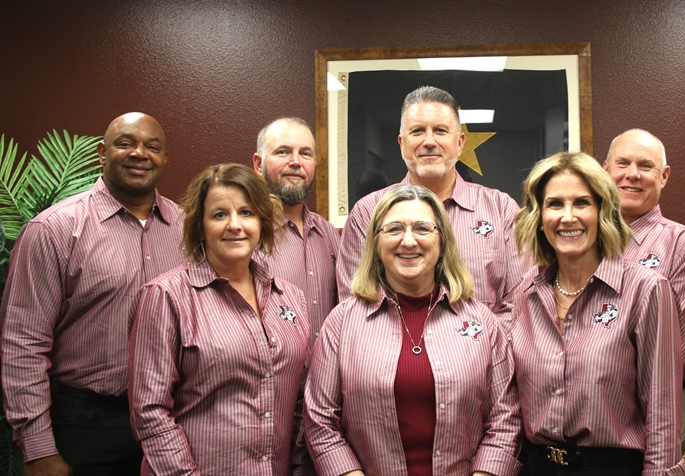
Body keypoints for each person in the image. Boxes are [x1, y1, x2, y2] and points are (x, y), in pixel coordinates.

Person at [0, 112, 182, 476]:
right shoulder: (53, 229)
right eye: (126, 143)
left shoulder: (187, 229)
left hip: (171, 422)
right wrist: (38, 449)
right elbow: (22, 342)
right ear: (102, 153)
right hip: (85, 424)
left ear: (165, 159)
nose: (139, 154)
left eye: (152, 146)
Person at [304, 184, 521, 476]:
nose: (408, 241)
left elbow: (505, 419)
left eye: (422, 228)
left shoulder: (482, 322)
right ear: (376, 244)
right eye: (394, 229)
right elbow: (319, 420)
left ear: (442, 241)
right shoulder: (341, 324)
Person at [510, 152, 685, 475]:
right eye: (554, 204)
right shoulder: (526, 292)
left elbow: (663, 414)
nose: (567, 217)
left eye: (581, 203)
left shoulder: (645, 290)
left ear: (603, 210)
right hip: (537, 467)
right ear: (538, 216)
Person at [128, 163, 310, 475]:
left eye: (246, 213)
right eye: (219, 214)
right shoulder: (166, 296)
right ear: (200, 226)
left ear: (262, 222)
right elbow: (149, 410)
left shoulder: (291, 297)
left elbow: (298, 401)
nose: (235, 225)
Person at [335, 86, 528, 322]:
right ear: (401, 143)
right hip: (394, 356)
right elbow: (354, 304)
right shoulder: (367, 213)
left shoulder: (501, 210)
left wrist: (482, 350)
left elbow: (520, 303)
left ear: (460, 142)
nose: (429, 141)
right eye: (417, 131)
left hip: (485, 355)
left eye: (440, 131)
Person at [604, 129, 685, 451]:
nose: (632, 174)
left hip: (652, 423)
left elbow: (684, 352)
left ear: (663, 176)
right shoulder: (578, 238)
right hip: (580, 426)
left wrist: (592, 366)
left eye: (645, 166)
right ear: (605, 170)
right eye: (622, 163)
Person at [253, 117, 340, 349]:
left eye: (305, 154)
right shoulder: (244, 235)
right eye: (283, 152)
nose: (296, 162)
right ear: (257, 164)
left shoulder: (329, 234)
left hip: (327, 379)